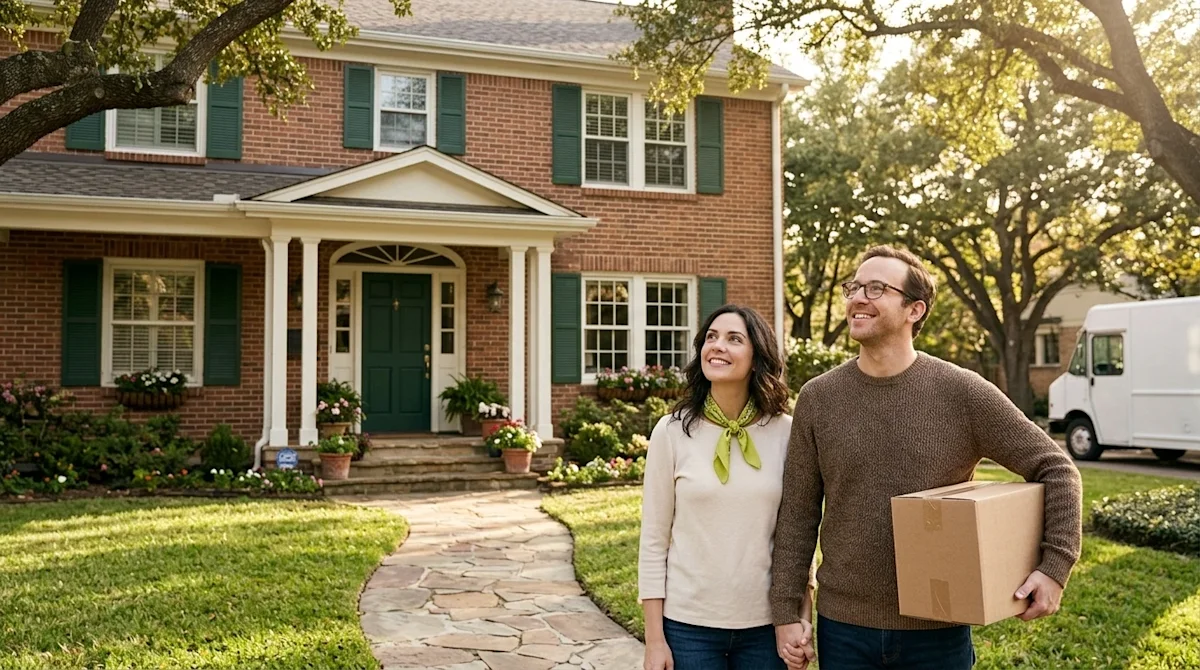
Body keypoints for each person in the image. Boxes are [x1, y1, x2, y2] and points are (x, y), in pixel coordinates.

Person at [770, 245, 1083, 670]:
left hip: (939, 629)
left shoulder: (961, 392)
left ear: (914, 309)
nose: (858, 298)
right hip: (843, 626)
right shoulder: (819, 397)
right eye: (854, 287)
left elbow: (1056, 467)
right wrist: (788, 611)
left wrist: (1054, 566)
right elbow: (798, 513)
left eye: (876, 288)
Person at [639, 304, 816, 670]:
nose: (717, 346)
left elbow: (798, 534)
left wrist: (802, 617)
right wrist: (655, 640)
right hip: (688, 628)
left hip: (766, 628)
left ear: (757, 358)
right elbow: (654, 541)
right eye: (711, 337)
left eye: (734, 339)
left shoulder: (786, 432)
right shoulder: (671, 432)